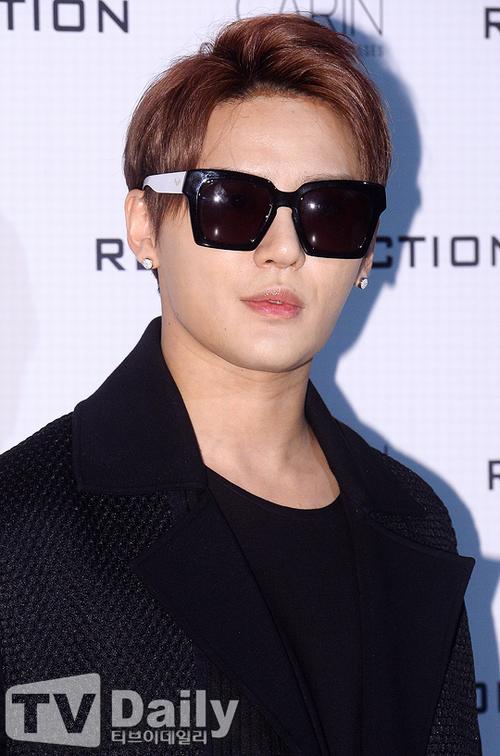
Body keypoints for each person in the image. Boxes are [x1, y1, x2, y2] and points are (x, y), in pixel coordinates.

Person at [0, 12, 481, 756]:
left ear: (365, 254)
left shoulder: (412, 519)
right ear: (144, 225)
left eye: (331, 211)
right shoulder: (25, 523)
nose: (284, 249)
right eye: (233, 202)